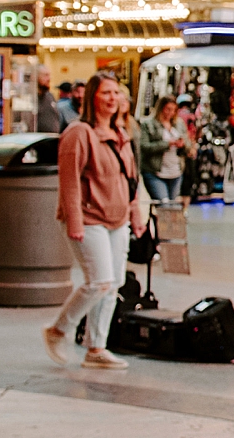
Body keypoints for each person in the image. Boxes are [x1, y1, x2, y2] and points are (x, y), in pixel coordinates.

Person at [43, 71, 146, 373]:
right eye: (105, 93)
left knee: (112, 284)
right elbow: (70, 181)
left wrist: (135, 213)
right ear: (92, 97)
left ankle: (96, 347)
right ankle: (58, 330)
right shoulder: (79, 132)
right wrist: (74, 220)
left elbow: (131, 179)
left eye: (116, 93)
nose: (112, 99)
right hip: (89, 219)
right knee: (98, 281)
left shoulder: (121, 133)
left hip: (118, 219)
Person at [139, 95, 192, 204]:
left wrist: (182, 144)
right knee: (164, 204)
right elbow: (144, 146)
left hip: (175, 171)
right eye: (168, 109)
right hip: (155, 171)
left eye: (173, 110)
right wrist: (166, 144)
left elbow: (187, 144)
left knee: (171, 206)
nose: (170, 113)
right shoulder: (148, 124)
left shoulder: (179, 123)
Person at [35, 68, 62, 135]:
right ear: (36, 77)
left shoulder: (50, 96)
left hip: (52, 140)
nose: (49, 79)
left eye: (49, 75)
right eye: (45, 75)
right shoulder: (32, 99)